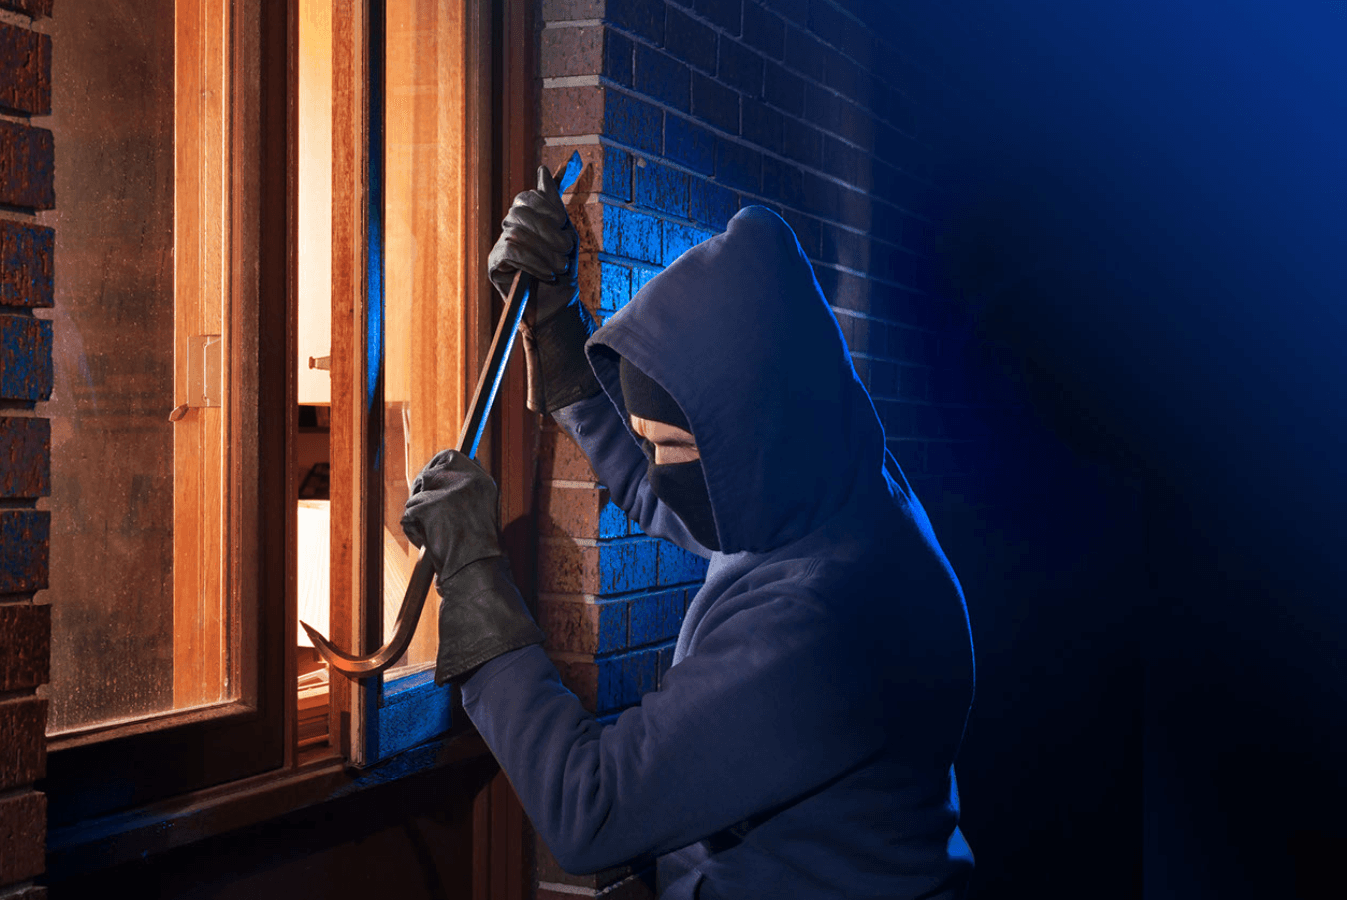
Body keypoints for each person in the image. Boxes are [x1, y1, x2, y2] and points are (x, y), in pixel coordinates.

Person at [400, 166, 976, 899]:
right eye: (649, 441)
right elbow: (675, 491)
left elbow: (592, 807)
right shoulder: (833, 481)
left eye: (673, 445)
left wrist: (476, 575)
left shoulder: (823, 621)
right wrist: (554, 328)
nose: (657, 468)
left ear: (755, 438)